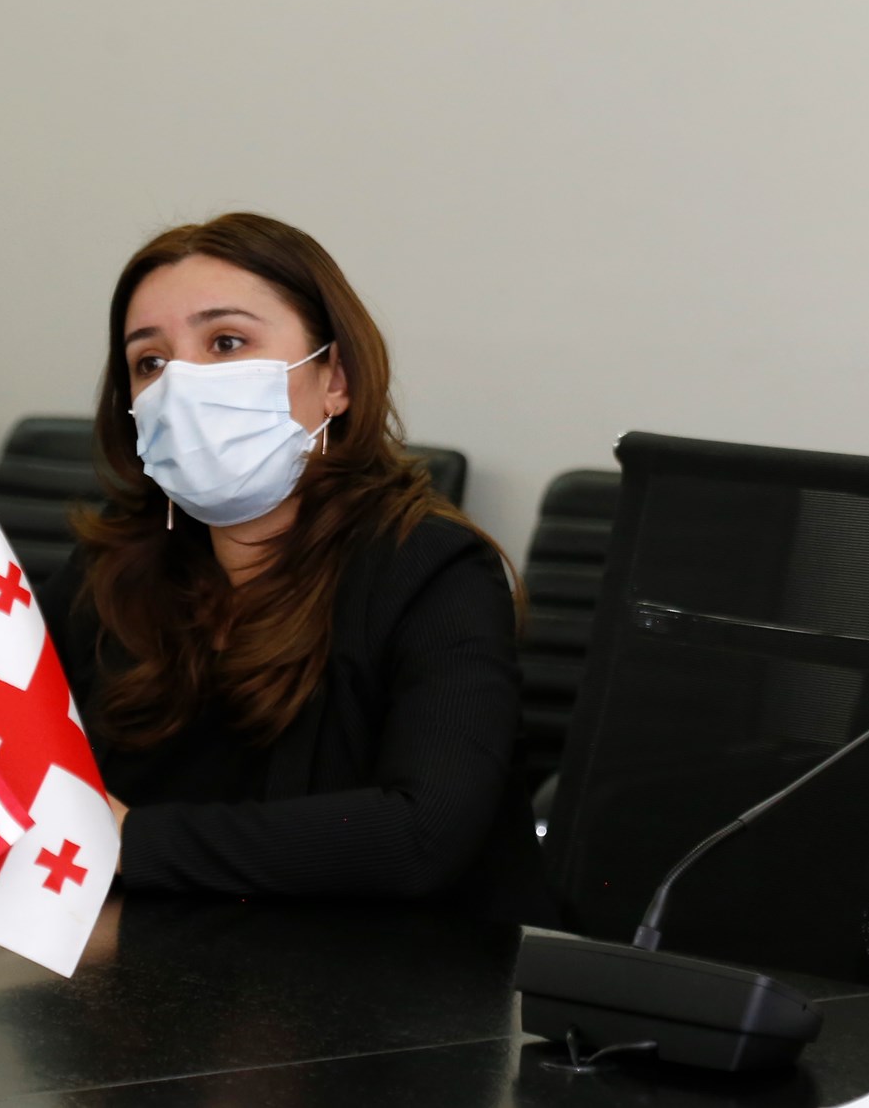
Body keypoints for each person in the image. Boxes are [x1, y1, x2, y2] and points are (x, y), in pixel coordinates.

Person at [42, 212, 547, 918]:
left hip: (386, 973)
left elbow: (420, 835)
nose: (181, 385)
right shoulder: (114, 565)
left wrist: (134, 841)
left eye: (226, 342)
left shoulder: (432, 568)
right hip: (149, 961)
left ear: (334, 378)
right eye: (150, 362)